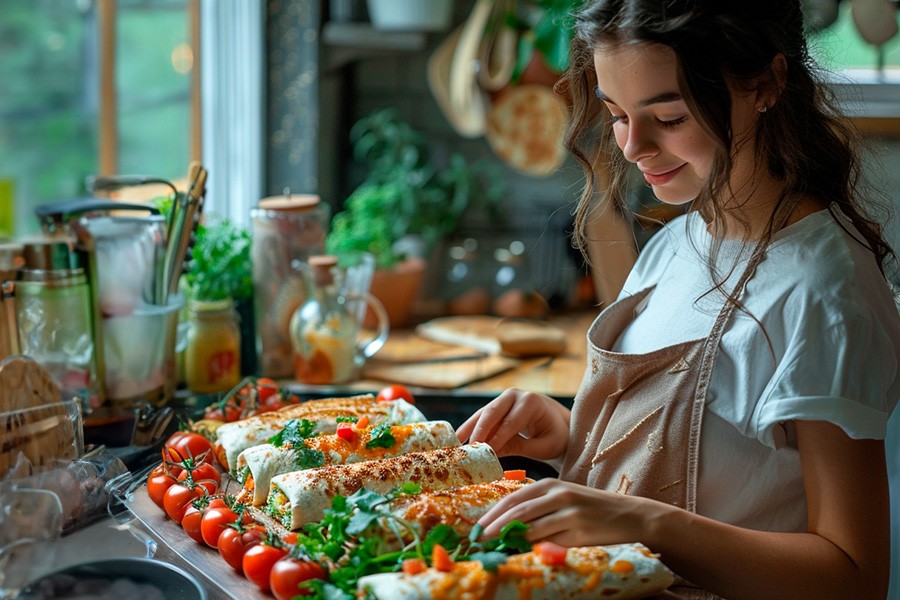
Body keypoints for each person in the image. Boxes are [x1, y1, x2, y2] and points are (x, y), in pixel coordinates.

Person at [456, 1, 900, 599]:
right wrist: (569, 438)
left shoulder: (824, 292)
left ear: (766, 84)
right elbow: (722, 472)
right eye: (616, 115)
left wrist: (647, 524)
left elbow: (853, 576)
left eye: (668, 117)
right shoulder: (676, 243)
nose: (634, 146)